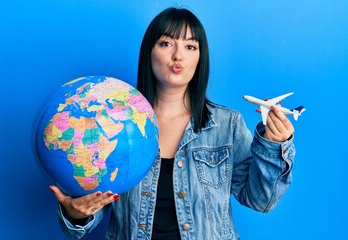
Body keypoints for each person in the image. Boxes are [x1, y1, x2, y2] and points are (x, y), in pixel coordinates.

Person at [50, 7, 296, 240]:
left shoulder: (226, 124)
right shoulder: (114, 123)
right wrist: (75, 214)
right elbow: (93, 208)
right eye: (166, 43)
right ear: (149, 51)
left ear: (200, 58)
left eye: (190, 46)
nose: (178, 55)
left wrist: (274, 147)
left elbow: (261, 201)